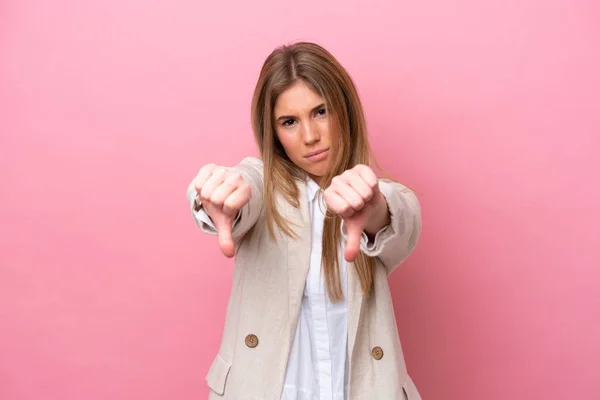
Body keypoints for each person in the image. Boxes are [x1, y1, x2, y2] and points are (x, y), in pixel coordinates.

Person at [186, 42, 422, 400]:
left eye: (321, 111)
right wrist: (215, 197)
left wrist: (372, 207)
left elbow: (396, 217)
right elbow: (242, 185)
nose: (310, 136)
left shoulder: (379, 196)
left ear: (344, 109)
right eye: (290, 121)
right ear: (273, 132)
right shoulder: (260, 186)